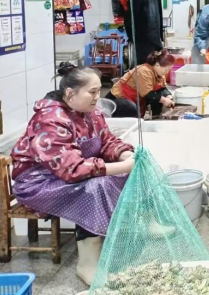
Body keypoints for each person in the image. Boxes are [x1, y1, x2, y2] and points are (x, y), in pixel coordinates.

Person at [10, 63, 136, 285]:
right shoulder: (50, 120)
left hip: (67, 174)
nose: (98, 97)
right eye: (92, 92)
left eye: (99, 91)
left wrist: (124, 154)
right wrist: (122, 167)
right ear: (70, 94)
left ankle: (130, 226)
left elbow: (106, 141)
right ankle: (87, 264)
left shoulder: (91, 113)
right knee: (96, 187)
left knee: (122, 174)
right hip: (38, 184)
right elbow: (72, 169)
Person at [107, 50, 176, 118]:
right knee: (130, 108)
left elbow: (162, 88)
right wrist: (164, 100)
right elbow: (148, 94)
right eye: (166, 70)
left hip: (134, 98)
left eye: (169, 70)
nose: (167, 72)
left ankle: (155, 117)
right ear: (157, 65)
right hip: (117, 99)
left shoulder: (160, 73)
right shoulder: (143, 71)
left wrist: (168, 96)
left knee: (158, 100)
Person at [126, 0, 164, 66]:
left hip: (156, 44)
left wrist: (161, 39)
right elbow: (129, 21)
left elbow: (159, 17)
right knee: (145, 72)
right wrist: (134, 41)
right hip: (142, 46)